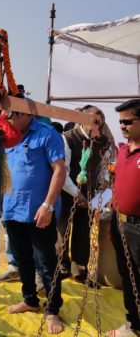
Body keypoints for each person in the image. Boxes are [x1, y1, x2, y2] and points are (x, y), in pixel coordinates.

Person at [2, 109, 66, 334]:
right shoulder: (7, 135)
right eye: (8, 115)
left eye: (16, 115)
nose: (12, 119)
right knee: (22, 261)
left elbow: (59, 170)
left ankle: (52, 310)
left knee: (47, 262)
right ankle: (30, 299)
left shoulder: (47, 134)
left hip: (39, 211)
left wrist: (48, 205)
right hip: (12, 209)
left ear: (28, 114)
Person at [58, 105, 110, 283]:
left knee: (83, 231)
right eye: (94, 122)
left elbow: (106, 170)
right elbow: (62, 172)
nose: (98, 128)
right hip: (66, 191)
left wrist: (97, 197)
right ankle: (61, 264)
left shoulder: (104, 142)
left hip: (90, 196)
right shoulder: (68, 138)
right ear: (82, 119)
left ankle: (79, 269)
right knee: (61, 229)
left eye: (100, 124)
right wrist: (75, 194)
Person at [108, 99, 140, 337]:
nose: (122, 125)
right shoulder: (122, 150)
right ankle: (133, 324)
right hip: (119, 223)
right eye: (120, 121)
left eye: (127, 121)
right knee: (128, 275)